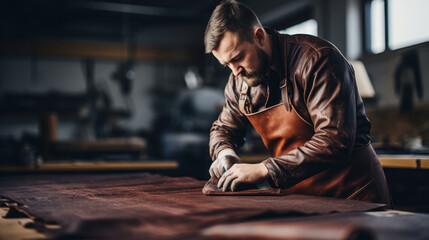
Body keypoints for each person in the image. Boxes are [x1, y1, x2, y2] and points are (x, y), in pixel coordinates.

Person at [205, 0, 391, 207]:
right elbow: (223, 128)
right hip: (301, 200)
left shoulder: (318, 60)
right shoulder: (238, 81)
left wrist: (263, 169)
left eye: (238, 58)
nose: (235, 71)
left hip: (353, 194)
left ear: (258, 36)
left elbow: (333, 141)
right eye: (226, 64)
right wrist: (225, 152)